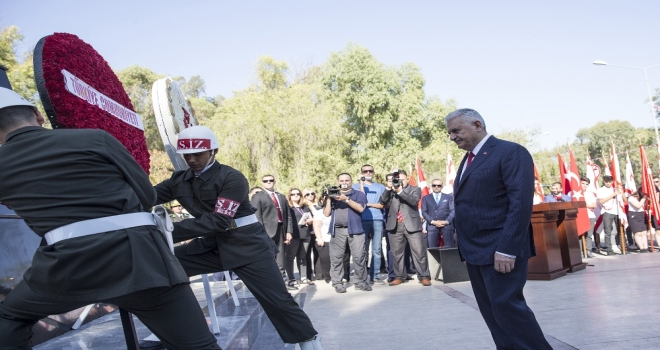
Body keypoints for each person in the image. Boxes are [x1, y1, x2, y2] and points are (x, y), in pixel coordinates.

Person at [0, 88, 220, 349]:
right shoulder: (95, 139)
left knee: (10, 316)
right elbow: (147, 196)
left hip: (65, 271)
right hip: (141, 262)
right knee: (198, 345)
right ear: (38, 115)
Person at [153, 126, 323, 349]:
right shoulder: (179, 180)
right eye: (187, 155)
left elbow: (219, 220)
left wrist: (164, 231)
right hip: (212, 246)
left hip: (247, 246)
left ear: (214, 151)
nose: (192, 160)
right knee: (161, 266)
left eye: (198, 154)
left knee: (278, 301)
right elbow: (145, 196)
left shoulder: (232, 178)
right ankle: (178, 332)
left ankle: (310, 342)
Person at [446, 108, 551, 349]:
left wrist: (507, 249)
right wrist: (466, 248)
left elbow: (520, 204)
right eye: (449, 133)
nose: (452, 137)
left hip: (501, 250)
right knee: (493, 313)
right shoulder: (468, 159)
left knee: (508, 308)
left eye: (456, 130)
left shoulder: (510, 152)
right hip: (476, 252)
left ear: (477, 124)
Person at [380, 170, 432, 287]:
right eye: (397, 179)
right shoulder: (391, 190)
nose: (399, 182)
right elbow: (383, 201)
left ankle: (424, 276)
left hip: (412, 225)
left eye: (402, 179)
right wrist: (388, 189)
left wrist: (400, 191)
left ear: (407, 179)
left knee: (419, 252)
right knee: (396, 253)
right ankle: (399, 276)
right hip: (395, 225)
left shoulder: (415, 189)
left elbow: (413, 201)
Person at [323, 173, 371, 293]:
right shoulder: (334, 194)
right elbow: (326, 213)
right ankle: (337, 283)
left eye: (347, 180)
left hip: (355, 229)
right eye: (342, 180)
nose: (344, 182)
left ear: (351, 181)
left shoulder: (358, 194)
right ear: (338, 181)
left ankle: (360, 282)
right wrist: (329, 198)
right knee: (336, 258)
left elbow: (360, 208)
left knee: (359, 256)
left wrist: (346, 199)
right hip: (338, 230)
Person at [251, 175, 294, 279]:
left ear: (274, 182)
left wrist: (289, 231)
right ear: (262, 183)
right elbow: (257, 217)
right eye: (266, 181)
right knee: (267, 256)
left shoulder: (281, 196)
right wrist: (260, 233)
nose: (268, 182)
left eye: (271, 180)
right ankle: (268, 280)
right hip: (266, 230)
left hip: (281, 229)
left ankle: (282, 280)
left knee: (281, 257)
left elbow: (288, 215)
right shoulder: (258, 196)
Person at [353, 164, 386, 283]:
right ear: (361, 173)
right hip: (361, 220)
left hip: (377, 220)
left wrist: (370, 204)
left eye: (370, 171)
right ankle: (363, 275)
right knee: (362, 249)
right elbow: (360, 200)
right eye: (365, 171)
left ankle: (375, 274)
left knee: (376, 249)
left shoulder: (380, 187)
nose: (368, 173)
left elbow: (384, 204)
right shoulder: (355, 186)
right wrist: (361, 184)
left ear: (373, 172)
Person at [285, 188, 314, 289]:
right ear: (289, 196)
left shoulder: (304, 207)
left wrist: (309, 220)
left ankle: (303, 277)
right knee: (290, 257)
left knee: (303, 256)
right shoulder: (288, 207)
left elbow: (311, 218)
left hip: (305, 233)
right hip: (294, 234)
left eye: (298, 194)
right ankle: (291, 279)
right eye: (293, 194)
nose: (296, 195)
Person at [421, 178, 455, 248]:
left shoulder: (449, 197)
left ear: (442, 186)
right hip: (432, 226)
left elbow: (453, 210)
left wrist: (446, 221)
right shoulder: (426, 198)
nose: (436, 187)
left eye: (439, 185)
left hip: (447, 225)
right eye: (434, 185)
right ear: (431, 186)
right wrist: (433, 222)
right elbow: (424, 212)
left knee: (450, 249)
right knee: (432, 249)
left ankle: (449, 259)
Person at [311, 191, 332, 283]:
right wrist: (319, 238)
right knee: (325, 259)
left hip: (336, 239)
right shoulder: (319, 212)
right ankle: (328, 277)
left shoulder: (337, 211)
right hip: (324, 238)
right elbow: (316, 226)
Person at [597, 175, 621, 255]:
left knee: (619, 230)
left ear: (612, 182)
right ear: (604, 181)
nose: (608, 183)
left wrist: (621, 192)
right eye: (606, 182)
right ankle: (609, 250)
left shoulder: (616, 189)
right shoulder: (601, 190)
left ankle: (620, 246)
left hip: (617, 211)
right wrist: (613, 194)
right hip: (607, 212)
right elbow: (601, 201)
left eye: (610, 182)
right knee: (608, 232)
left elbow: (624, 199)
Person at [302, 188, 321, 281]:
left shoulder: (319, 204)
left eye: (312, 193)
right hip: (308, 231)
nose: (310, 195)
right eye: (307, 194)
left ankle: (319, 273)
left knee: (318, 252)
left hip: (319, 231)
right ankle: (309, 275)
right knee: (307, 254)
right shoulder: (304, 206)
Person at [628, 189, 650, 253]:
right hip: (634, 215)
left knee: (644, 232)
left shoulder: (642, 198)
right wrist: (644, 198)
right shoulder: (631, 198)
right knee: (638, 233)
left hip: (641, 214)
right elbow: (638, 206)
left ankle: (646, 247)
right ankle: (642, 248)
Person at [581, 177, 597, 257]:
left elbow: (594, 205)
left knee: (589, 235)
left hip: (590, 216)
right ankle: (581, 251)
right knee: (580, 234)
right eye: (583, 183)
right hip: (580, 216)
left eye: (586, 184)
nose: (584, 185)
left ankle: (588, 250)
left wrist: (585, 205)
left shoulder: (590, 194)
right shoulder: (573, 193)